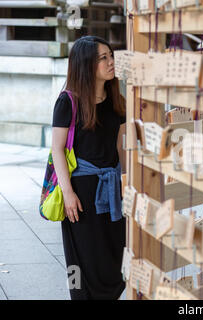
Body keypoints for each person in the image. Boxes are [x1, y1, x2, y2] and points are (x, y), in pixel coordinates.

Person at [51, 36, 126, 300]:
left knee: (113, 254)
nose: (111, 61)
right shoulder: (68, 101)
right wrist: (67, 191)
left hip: (112, 189)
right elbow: (57, 149)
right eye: (103, 58)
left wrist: (127, 183)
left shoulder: (116, 99)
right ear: (85, 64)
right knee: (81, 258)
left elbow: (119, 147)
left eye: (111, 55)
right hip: (81, 193)